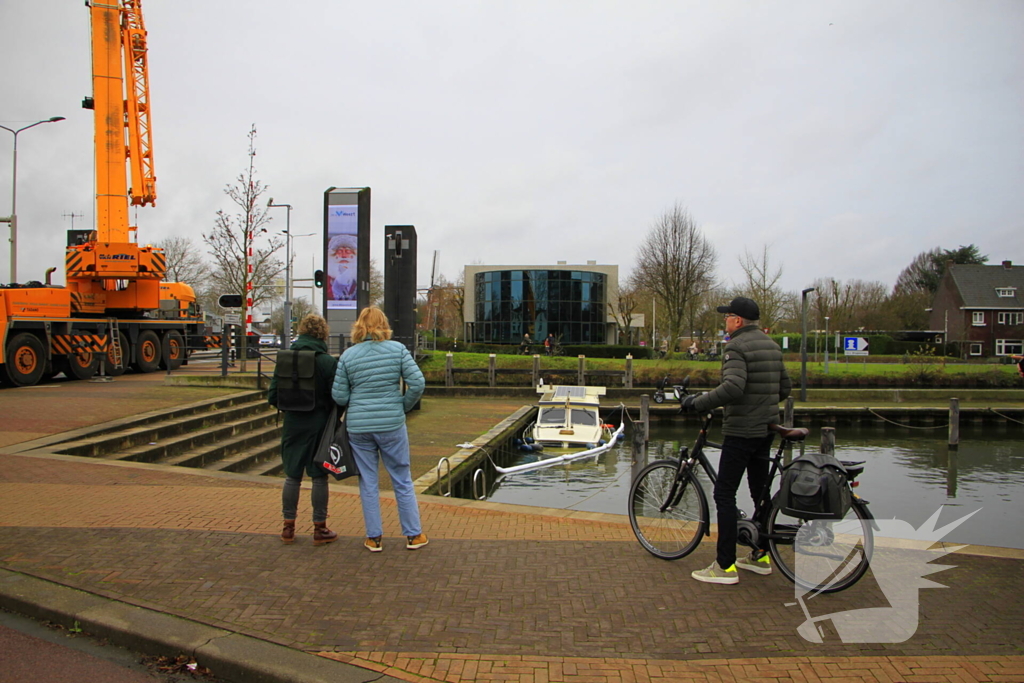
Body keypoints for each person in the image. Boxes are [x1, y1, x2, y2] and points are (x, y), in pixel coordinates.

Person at [680, 296, 792, 585]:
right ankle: (760, 555)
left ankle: (724, 566)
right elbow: (783, 389)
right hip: (766, 428)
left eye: (727, 316)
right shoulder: (772, 345)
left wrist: (699, 403)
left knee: (724, 495)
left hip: (741, 430)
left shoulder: (736, 346)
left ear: (738, 321)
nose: (725, 321)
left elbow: (733, 387)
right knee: (759, 492)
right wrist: (761, 404)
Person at [332, 307, 427, 552]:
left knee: (368, 481)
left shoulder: (348, 356)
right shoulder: (397, 350)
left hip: (359, 427)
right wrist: (402, 406)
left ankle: (374, 537)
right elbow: (417, 383)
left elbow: (340, 397)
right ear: (384, 325)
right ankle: (413, 535)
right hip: (391, 424)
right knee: (402, 479)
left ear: (359, 327)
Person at [267, 314, 339, 546]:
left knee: (292, 475)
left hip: (293, 423)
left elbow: (273, 396)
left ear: (302, 331)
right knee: (319, 476)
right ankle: (320, 528)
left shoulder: (285, 359)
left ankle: (288, 527)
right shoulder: (327, 362)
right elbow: (336, 397)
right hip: (319, 422)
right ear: (323, 334)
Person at [327, 233, 357, 303]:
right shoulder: (327, 280)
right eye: (340, 251)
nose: (343, 256)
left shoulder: (358, 282)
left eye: (348, 252)